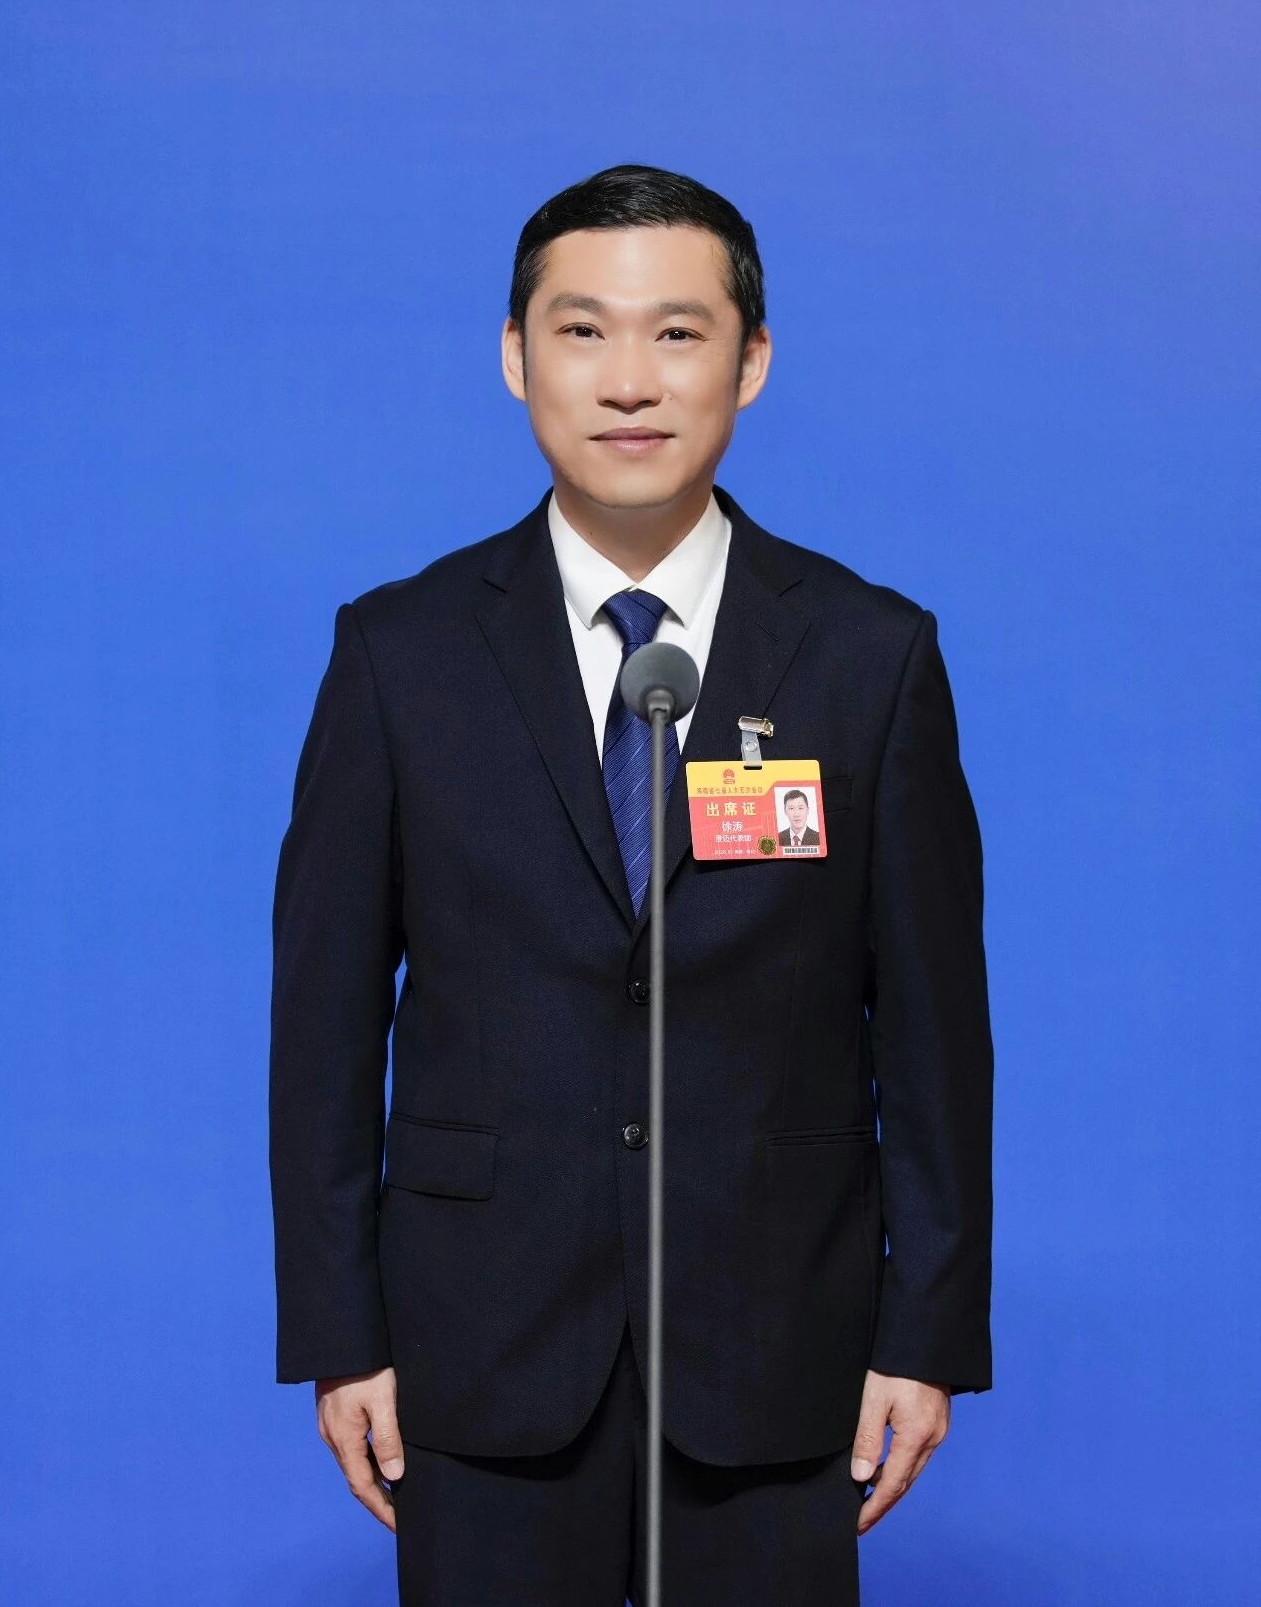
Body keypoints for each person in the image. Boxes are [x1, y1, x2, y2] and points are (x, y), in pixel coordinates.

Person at [269, 162, 994, 1606]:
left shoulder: (871, 657)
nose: (628, 382)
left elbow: (933, 1033)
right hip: (479, 1345)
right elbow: (326, 1029)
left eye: (677, 332)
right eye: (582, 330)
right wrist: (341, 1334)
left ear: (751, 362)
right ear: (516, 356)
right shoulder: (400, 654)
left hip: (776, 1344)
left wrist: (926, 1333)